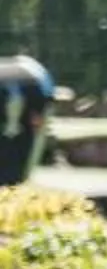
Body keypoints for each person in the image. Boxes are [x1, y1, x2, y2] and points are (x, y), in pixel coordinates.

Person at [0, 55, 53, 187]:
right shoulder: (38, 74)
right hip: (33, 95)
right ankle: (15, 180)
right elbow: (38, 119)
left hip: (14, 97)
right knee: (23, 139)